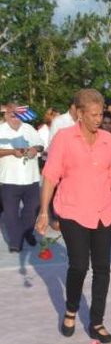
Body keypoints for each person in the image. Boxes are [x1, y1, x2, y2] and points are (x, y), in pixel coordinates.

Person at [35, 89, 111, 343]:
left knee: (102, 268)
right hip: (73, 211)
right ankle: (71, 309)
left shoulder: (108, 140)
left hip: (104, 211)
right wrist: (44, 211)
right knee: (79, 265)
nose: (98, 119)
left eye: (101, 113)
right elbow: (50, 175)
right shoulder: (64, 139)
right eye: (93, 114)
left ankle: (97, 322)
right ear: (79, 113)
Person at [0, 103, 45, 252]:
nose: (15, 118)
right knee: (11, 213)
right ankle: (15, 241)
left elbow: (41, 146)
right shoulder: (1, 129)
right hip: (9, 179)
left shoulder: (28, 128)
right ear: (6, 115)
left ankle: (26, 232)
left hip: (31, 178)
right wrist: (11, 152)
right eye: (12, 115)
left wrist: (34, 149)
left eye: (18, 115)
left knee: (32, 210)